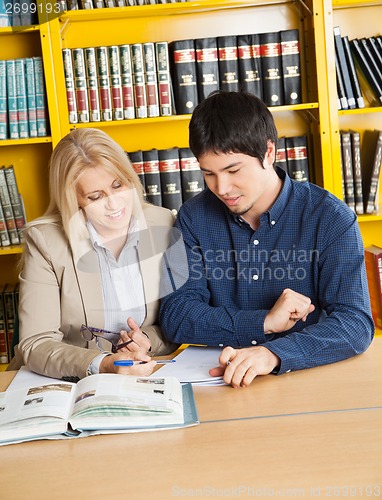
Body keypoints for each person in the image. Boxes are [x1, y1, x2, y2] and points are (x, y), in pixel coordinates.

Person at [159, 91, 374, 388]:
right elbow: (178, 316)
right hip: (217, 385)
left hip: (307, 384)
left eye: (233, 170)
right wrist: (263, 323)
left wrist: (273, 353)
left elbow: (355, 324)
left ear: (269, 152)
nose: (222, 188)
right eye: (208, 173)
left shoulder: (330, 218)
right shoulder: (194, 218)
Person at [10, 128, 185, 380]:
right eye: (95, 196)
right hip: (65, 382)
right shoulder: (46, 241)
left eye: (118, 185)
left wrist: (146, 340)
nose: (114, 204)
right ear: (73, 200)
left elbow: (181, 315)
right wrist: (103, 364)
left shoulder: (163, 222)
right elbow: (36, 343)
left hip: (144, 376)